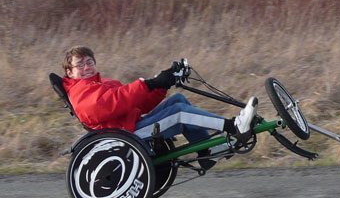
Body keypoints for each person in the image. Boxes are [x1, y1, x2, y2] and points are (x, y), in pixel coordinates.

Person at [61, 46, 258, 168]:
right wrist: (151, 83)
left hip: (131, 125)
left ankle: (208, 153)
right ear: (69, 72)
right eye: (80, 65)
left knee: (177, 100)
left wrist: (161, 85)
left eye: (90, 62)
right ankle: (234, 127)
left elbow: (137, 104)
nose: (87, 67)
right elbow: (116, 101)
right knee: (179, 113)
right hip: (124, 136)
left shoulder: (103, 83)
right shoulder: (80, 93)